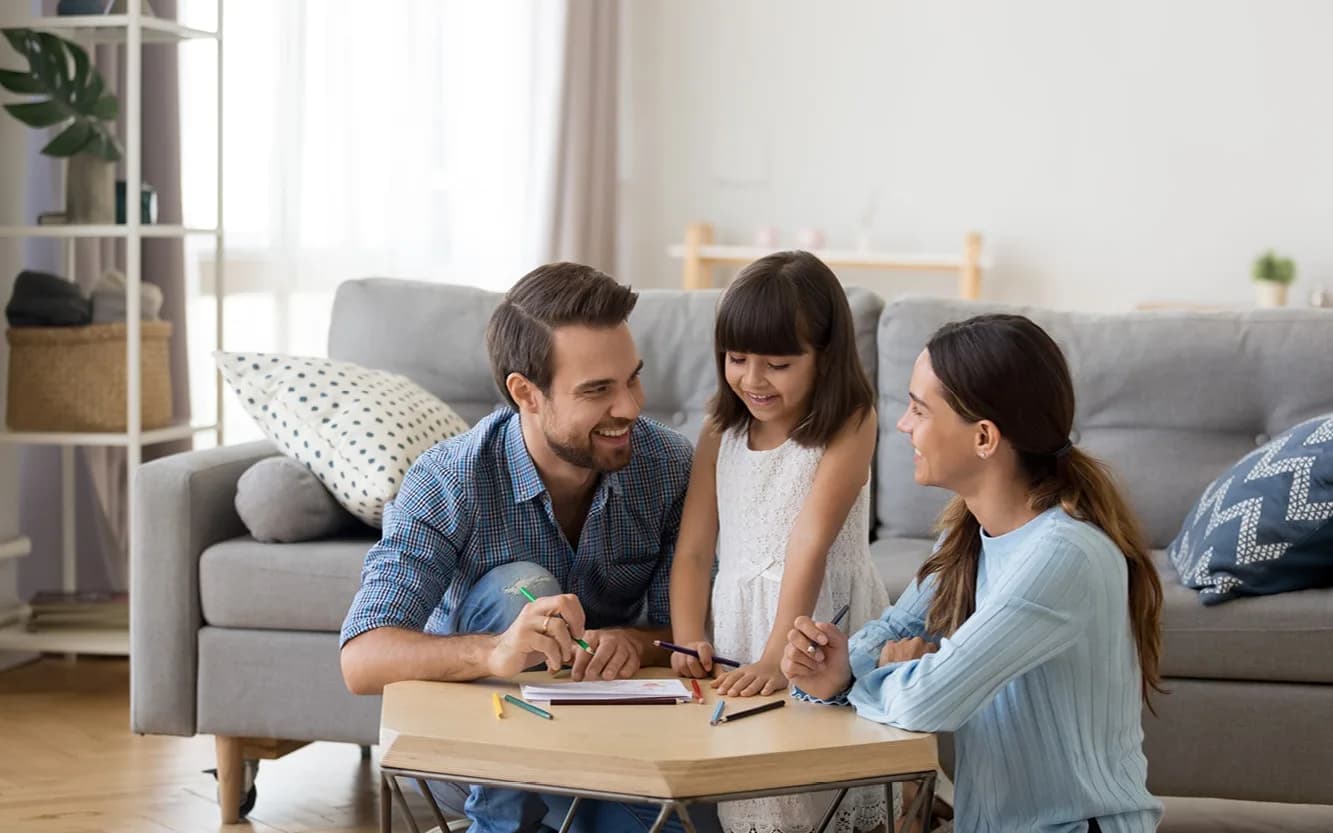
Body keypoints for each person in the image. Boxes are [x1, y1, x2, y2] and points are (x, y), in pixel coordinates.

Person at [339, 262, 719, 833]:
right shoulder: (448, 481)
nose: (631, 407)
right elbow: (362, 658)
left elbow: (682, 636)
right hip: (478, 747)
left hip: (608, 740)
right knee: (524, 587)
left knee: (693, 824)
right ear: (526, 393)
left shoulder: (666, 467)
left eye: (631, 379)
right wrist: (493, 653)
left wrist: (631, 643)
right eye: (598, 391)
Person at [782, 313, 1166, 833]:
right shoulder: (969, 533)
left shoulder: (1063, 555)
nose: (903, 425)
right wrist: (839, 666)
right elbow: (896, 632)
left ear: (984, 437)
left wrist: (856, 675)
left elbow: (927, 698)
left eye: (919, 409)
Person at [669, 251, 892, 833]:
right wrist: (689, 638)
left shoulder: (851, 419)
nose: (752, 379)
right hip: (741, 625)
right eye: (737, 359)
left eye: (778, 363)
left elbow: (810, 542)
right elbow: (694, 549)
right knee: (759, 795)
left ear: (825, 356)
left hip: (815, 624)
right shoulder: (722, 428)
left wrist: (776, 656)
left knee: (825, 785)